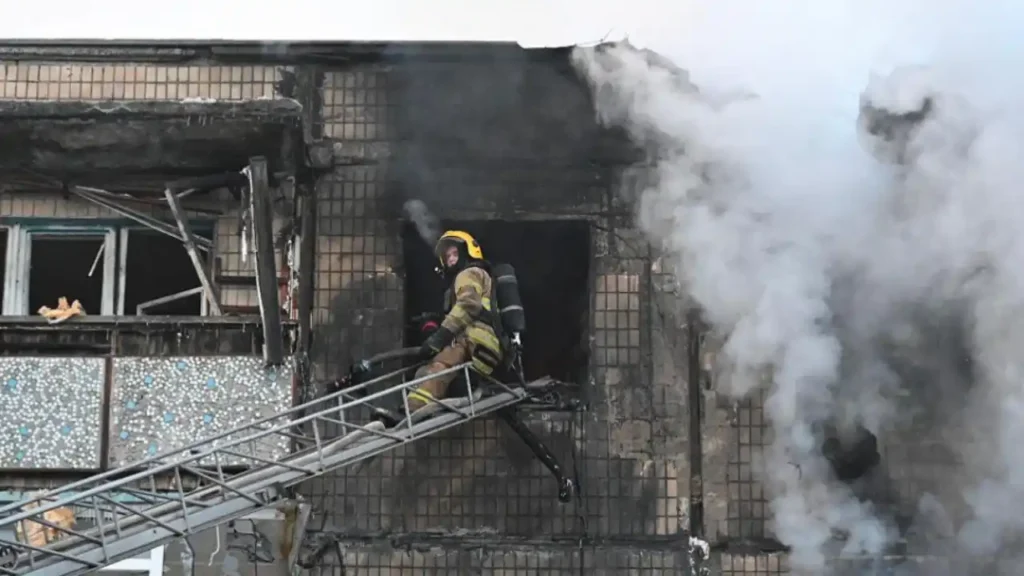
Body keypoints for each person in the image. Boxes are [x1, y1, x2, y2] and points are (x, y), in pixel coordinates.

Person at [408, 230, 505, 412]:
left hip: (473, 341)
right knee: (432, 370)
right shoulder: (479, 278)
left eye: (455, 254)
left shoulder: (469, 273)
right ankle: (422, 407)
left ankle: (411, 412)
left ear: (469, 251)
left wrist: (438, 338)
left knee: (435, 369)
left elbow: (469, 305)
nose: (451, 259)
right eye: (447, 256)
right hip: (485, 348)